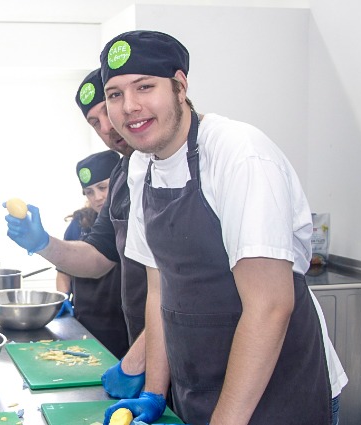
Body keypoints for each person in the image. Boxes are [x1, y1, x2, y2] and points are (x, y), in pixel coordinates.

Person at [97, 31, 347, 425]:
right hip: (205, 389)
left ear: (180, 86)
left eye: (144, 87)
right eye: (114, 94)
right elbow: (161, 288)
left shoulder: (240, 155)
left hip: (282, 390)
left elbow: (270, 306)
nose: (129, 106)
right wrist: (154, 392)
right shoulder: (140, 167)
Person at [5, 69, 150, 398]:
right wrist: (43, 243)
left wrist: (137, 362)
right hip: (148, 343)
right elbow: (98, 257)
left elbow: (182, 290)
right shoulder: (130, 175)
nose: (107, 128)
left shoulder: (226, 154)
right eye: (94, 122)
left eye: (110, 107)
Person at [55, 149, 128, 358]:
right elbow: (63, 270)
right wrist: (63, 298)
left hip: (124, 327)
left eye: (103, 187)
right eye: (89, 191)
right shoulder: (80, 223)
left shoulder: (134, 221)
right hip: (85, 324)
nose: (97, 198)